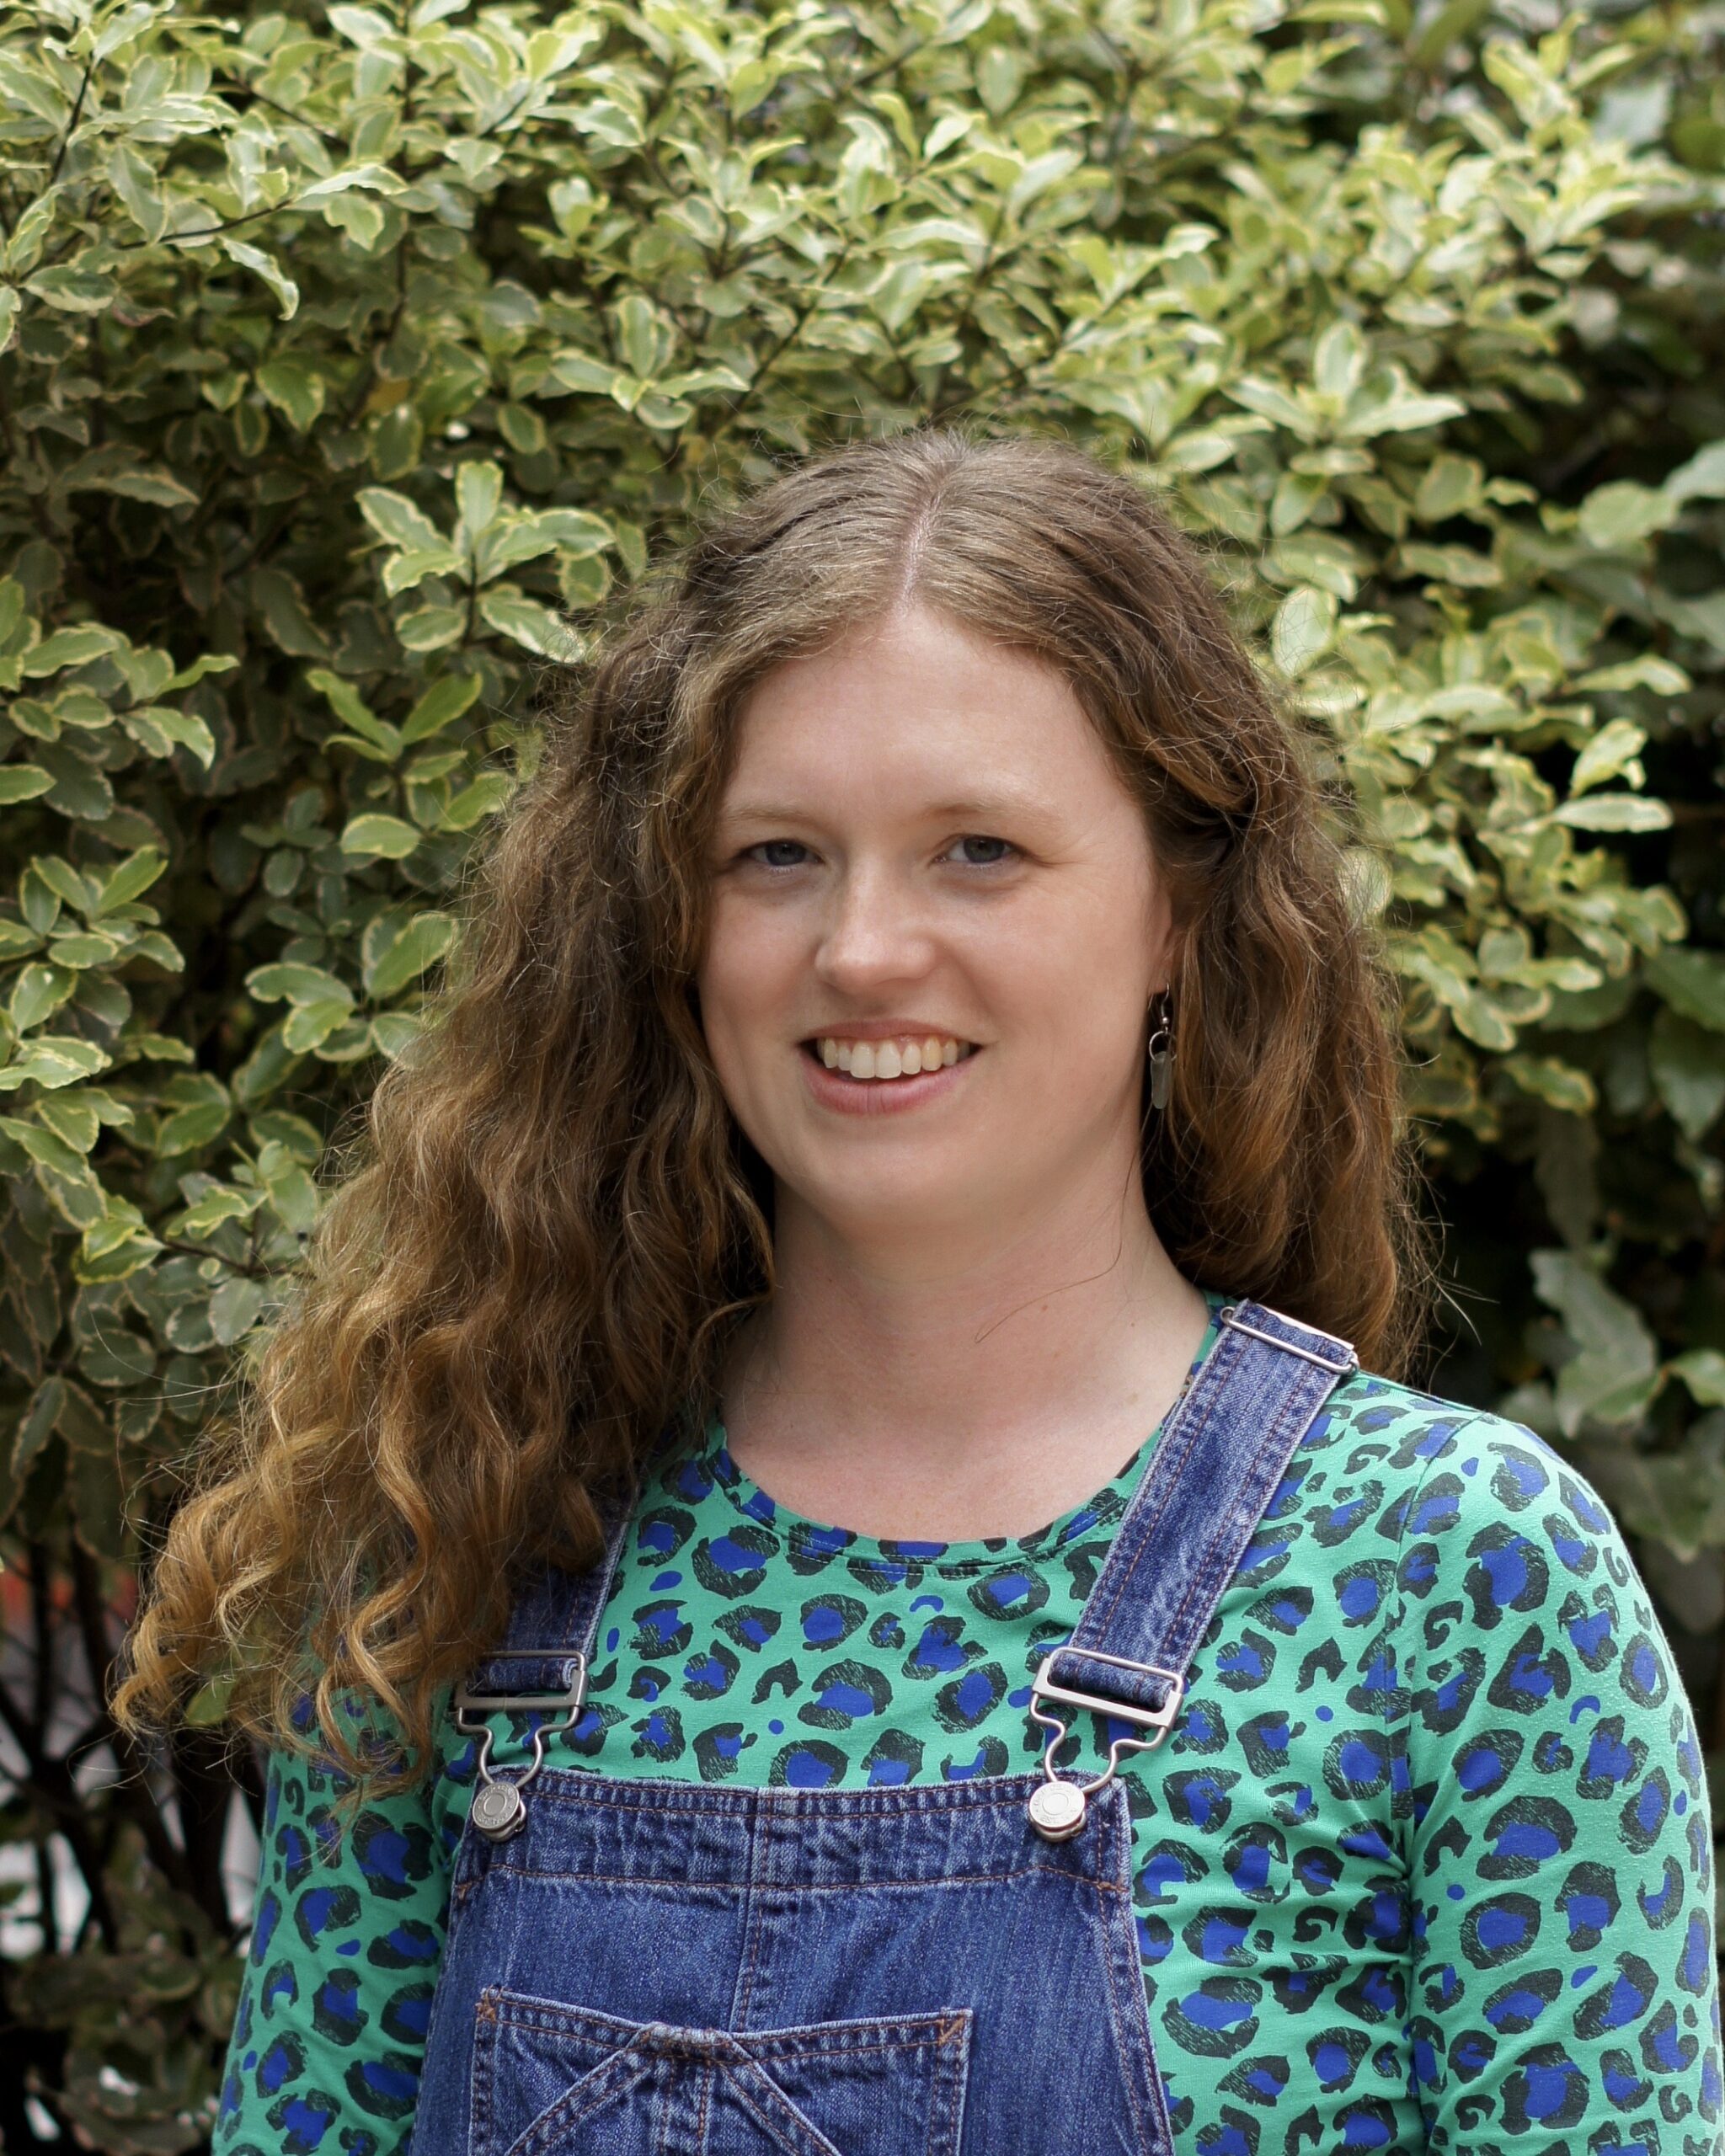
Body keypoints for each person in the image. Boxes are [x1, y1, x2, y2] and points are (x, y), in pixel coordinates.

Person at [115, 430, 1722, 2155]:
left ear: (1180, 910)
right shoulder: (472, 1539)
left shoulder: (1448, 1578)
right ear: (665, 917)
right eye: (777, 855)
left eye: (977, 849)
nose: (864, 948)